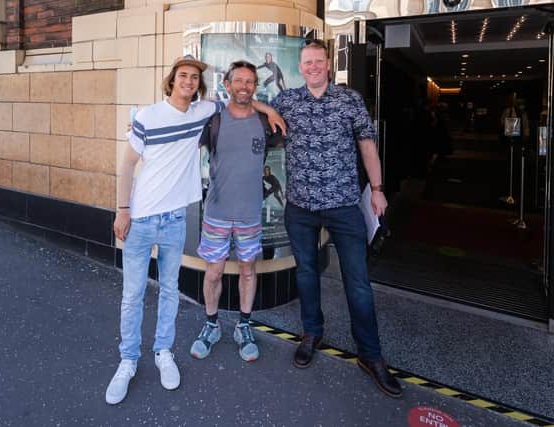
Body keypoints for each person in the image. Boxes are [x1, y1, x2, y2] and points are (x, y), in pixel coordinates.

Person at [106, 55, 284, 405]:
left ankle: (163, 352)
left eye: (193, 77)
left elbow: (244, 99)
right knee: (133, 295)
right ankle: (128, 360)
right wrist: (122, 209)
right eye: (182, 76)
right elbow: (127, 164)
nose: (188, 81)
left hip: (178, 218)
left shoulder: (208, 114)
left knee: (171, 290)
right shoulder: (155, 117)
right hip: (144, 218)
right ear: (172, 80)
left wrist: (271, 111)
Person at [270, 39, 402, 398]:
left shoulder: (349, 100)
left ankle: (370, 355)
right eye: (307, 62)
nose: (313, 67)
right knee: (307, 273)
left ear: (328, 64)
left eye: (318, 61)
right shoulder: (286, 101)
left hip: (344, 206)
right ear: (300, 67)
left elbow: (367, 145)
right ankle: (312, 332)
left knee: (357, 282)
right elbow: (259, 118)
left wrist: (377, 188)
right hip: (300, 207)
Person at [190, 60, 281, 362]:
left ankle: (244, 325)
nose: (244, 86)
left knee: (247, 270)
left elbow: (290, 133)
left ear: (256, 87)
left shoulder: (266, 122)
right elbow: (181, 124)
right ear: (226, 85)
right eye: (238, 81)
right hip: (216, 212)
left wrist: (266, 109)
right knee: (213, 272)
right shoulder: (212, 120)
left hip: (250, 214)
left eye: (250, 82)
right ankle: (211, 324)